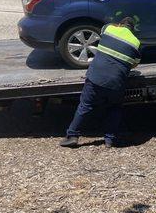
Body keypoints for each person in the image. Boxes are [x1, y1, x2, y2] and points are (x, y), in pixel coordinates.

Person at [59, 17, 141, 148]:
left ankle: (72, 136)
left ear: (120, 25)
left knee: (85, 105)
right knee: (114, 108)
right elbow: (135, 63)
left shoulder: (109, 29)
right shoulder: (135, 42)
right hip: (116, 82)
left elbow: (102, 29)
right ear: (133, 30)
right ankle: (110, 139)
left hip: (95, 78)